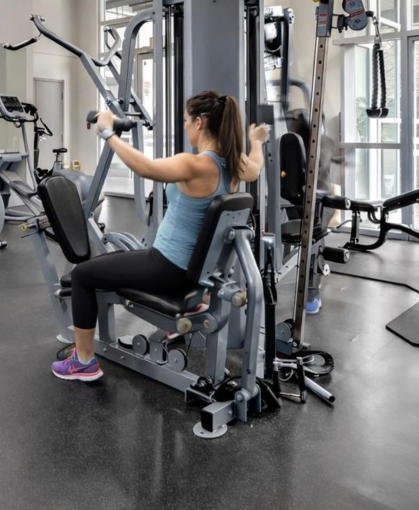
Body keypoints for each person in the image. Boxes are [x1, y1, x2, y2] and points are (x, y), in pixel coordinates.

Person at [52, 91, 268, 381]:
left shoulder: (197, 164)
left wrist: (107, 133)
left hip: (167, 267)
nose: (185, 126)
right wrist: (256, 142)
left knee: (82, 276)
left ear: (200, 123)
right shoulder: (234, 163)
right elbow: (256, 167)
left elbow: (146, 168)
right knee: (117, 261)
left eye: (186, 120)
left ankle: (83, 361)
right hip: (194, 273)